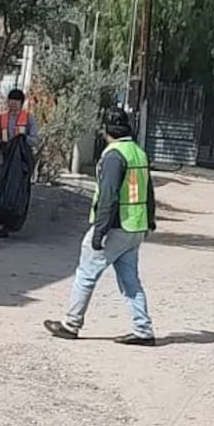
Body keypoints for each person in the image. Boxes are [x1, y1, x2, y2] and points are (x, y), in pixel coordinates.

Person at [45, 107, 156, 344]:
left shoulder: (114, 156)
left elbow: (109, 196)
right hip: (136, 227)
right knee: (130, 281)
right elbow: (149, 190)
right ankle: (143, 329)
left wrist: (99, 232)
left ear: (106, 131)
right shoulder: (138, 152)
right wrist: (150, 220)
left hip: (116, 226)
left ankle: (71, 323)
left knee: (86, 273)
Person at [0, 87, 37, 239]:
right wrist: (2, 144)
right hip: (5, 162)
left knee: (17, 192)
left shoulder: (28, 119)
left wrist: (22, 140)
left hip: (21, 164)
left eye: (16, 101)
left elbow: (35, 139)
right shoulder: (1, 119)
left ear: (22, 103)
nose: (13, 104)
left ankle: (10, 222)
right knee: (2, 191)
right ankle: (2, 221)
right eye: (11, 101)